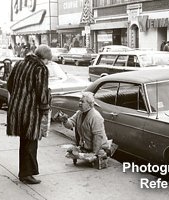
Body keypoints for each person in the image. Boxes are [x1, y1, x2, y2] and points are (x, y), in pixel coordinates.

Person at [7, 44, 52, 184]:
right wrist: (45, 109)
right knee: (31, 142)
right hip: (31, 111)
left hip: (17, 109)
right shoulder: (40, 68)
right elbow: (42, 92)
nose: (47, 63)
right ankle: (27, 174)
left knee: (24, 141)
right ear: (44, 58)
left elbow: (9, 84)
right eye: (48, 60)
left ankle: (24, 172)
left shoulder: (20, 63)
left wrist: (18, 97)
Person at [60, 91, 108, 156]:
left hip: (99, 148)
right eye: (80, 101)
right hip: (85, 147)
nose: (79, 103)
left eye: (82, 102)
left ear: (89, 104)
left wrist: (94, 153)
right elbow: (71, 124)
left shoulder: (96, 117)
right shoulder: (79, 113)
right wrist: (65, 120)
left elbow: (97, 137)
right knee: (69, 153)